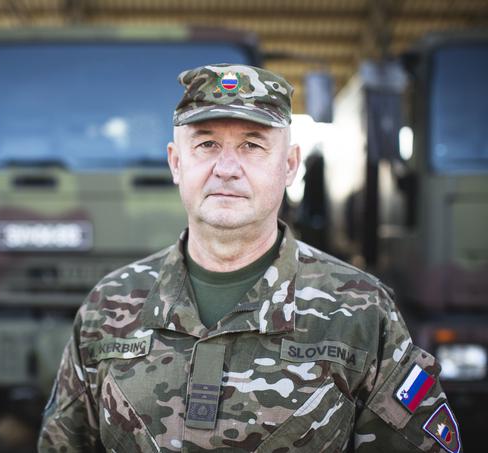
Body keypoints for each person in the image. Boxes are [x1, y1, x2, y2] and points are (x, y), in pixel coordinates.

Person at [37, 64, 461, 453]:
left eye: (252, 145)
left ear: (290, 165)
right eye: (206, 144)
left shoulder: (362, 311)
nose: (226, 168)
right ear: (176, 162)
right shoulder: (107, 307)